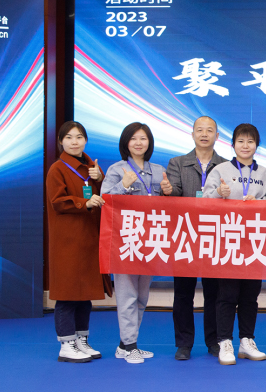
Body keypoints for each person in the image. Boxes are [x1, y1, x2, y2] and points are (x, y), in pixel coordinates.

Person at [203, 123, 266, 365]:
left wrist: (260, 202)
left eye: (250, 141)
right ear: (232, 144)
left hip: (255, 242)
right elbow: (204, 202)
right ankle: (224, 341)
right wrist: (219, 193)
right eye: (241, 141)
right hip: (228, 241)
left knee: (250, 295)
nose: (245, 146)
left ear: (257, 145)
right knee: (227, 294)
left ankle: (246, 340)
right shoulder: (219, 170)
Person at [101, 122, 167, 364]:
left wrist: (168, 192)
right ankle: (130, 345)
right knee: (127, 295)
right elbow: (105, 200)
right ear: (125, 142)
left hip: (150, 242)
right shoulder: (116, 169)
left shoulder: (159, 171)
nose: (139, 143)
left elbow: (167, 206)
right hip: (125, 241)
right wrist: (124, 185)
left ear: (149, 143)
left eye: (143, 138)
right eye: (134, 138)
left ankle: (125, 344)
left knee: (141, 296)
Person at [165, 116, 228, 361]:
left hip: (215, 235)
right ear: (192, 134)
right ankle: (184, 344)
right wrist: (169, 191)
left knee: (215, 293)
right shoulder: (178, 163)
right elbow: (175, 192)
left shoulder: (226, 165)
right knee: (183, 293)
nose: (204, 134)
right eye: (199, 130)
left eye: (209, 130)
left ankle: (214, 341)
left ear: (217, 136)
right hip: (186, 234)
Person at [47, 121, 110, 363]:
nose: (75, 142)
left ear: (85, 140)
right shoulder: (57, 169)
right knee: (67, 294)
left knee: (85, 295)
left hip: (89, 239)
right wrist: (85, 202)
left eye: (79, 137)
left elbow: (106, 196)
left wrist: (100, 178)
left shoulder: (92, 168)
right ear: (61, 141)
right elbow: (57, 201)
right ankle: (66, 344)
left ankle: (81, 340)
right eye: (69, 137)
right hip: (68, 242)